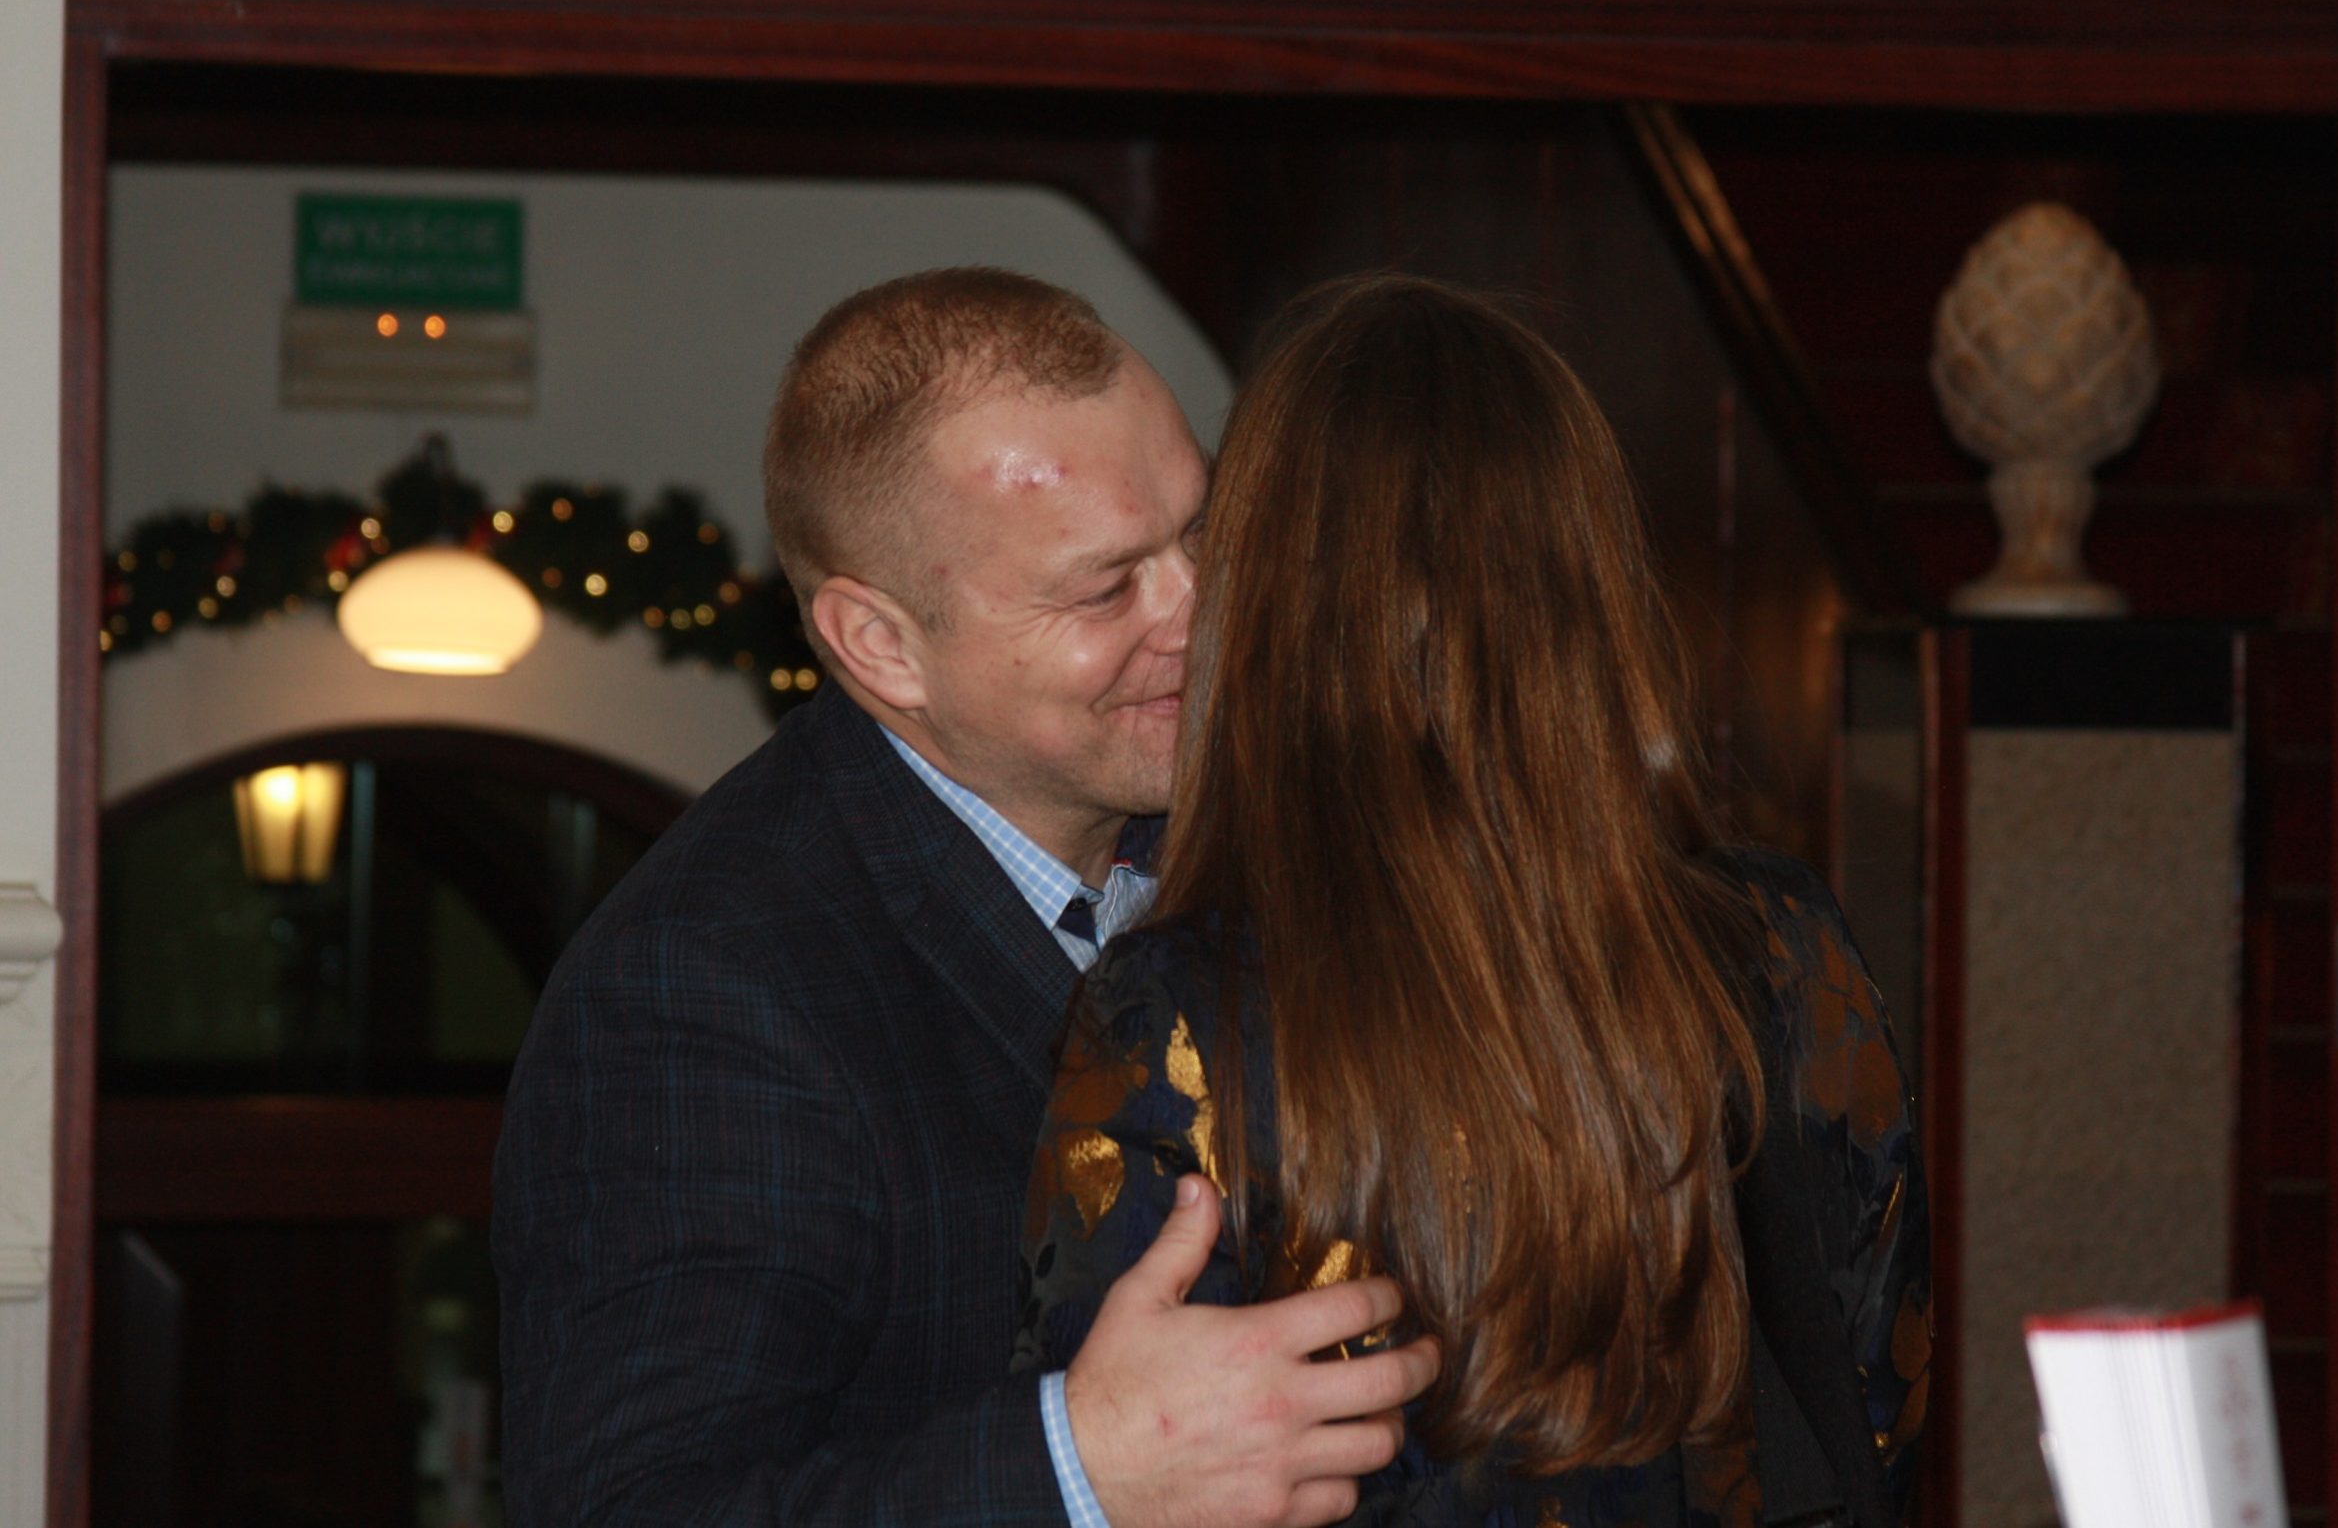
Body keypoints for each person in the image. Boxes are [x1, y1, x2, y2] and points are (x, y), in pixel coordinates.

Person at [492, 267, 1439, 1528]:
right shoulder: (703, 987)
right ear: (880, 644)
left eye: (1203, 533)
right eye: (1105, 587)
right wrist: (1079, 1471)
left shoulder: (1282, 827)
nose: (1203, 612)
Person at [1017, 275, 1930, 1527]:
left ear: (1261, 598)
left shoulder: (1174, 1005)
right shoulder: (1779, 937)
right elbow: (1875, 1390)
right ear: (1594, 578)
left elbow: (1132, 1459)